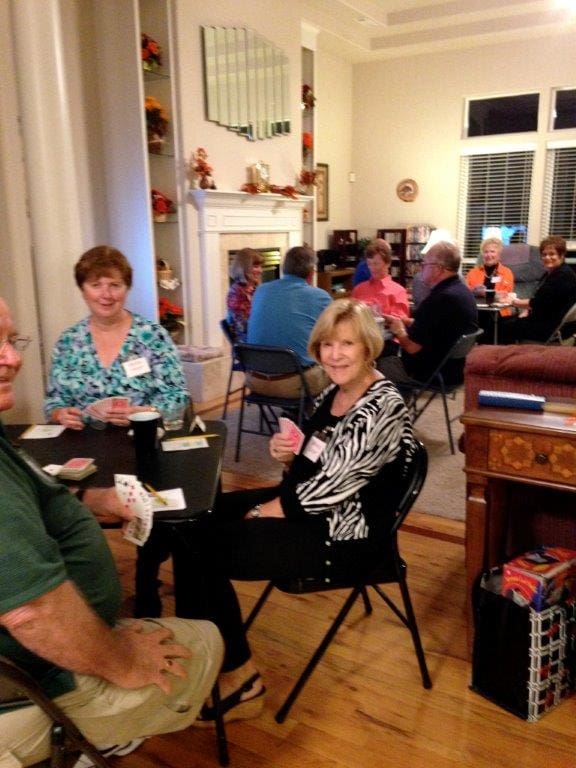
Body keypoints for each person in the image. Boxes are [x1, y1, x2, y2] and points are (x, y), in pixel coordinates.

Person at [0, 297, 223, 767]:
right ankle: (90, 736)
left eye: (11, 340)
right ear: (83, 291)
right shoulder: (72, 341)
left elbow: (32, 494)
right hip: (39, 674)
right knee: (207, 639)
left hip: (54, 644)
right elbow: (30, 612)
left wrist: (93, 499)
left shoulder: (148, 334)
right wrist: (122, 659)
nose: (13, 358)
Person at [172, 299, 418, 724]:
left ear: (368, 347)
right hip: (307, 507)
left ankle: (241, 677)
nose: (334, 355)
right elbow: (311, 461)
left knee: (204, 549)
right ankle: (203, 651)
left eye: (347, 344)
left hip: (344, 535)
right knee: (192, 519)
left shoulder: (382, 406)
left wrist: (262, 511)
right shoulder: (334, 391)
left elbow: (330, 489)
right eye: (327, 344)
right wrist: (287, 455)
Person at [44, 246, 189, 429]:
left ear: (127, 289)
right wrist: (59, 414)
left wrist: (146, 412)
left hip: (141, 437)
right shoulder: (68, 342)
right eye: (96, 285)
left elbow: (177, 396)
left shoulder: (153, 337)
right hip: (82, 440)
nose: (106, 295)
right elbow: (53, 402)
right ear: (83, 291)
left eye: (115, 285)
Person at [379, 241, 478, 386]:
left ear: (438, 269)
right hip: (454, 370)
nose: (421, 268)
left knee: (377, 353)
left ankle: (391, 398)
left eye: (424, 264)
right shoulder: (462, 291)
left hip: (429, 373)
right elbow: (435, 328)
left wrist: (399, 330)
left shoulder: (440, 299)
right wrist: (404, 321)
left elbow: (412, 347)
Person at [247, 245, 331, 397]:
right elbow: (334, 333)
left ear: (284, 268)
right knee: (341, 367)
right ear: (311, 272)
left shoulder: (260, 290)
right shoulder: (320, 296)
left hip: (254, 380)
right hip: (295, 383)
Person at [499, 236, 576, 344]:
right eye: (544, 254)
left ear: (561, 255)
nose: (547, 257)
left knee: (500, 326)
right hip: (545, 320)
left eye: (552, 254)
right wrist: (526, 311)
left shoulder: (562, 277)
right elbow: (541, 300)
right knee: (504, 321)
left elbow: (537, 303)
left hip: (550, 327)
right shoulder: (551, 273)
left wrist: (512, 302)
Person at [351, 238, 409, 318]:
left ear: (388, 263)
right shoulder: (358, 289)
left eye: (376, 264)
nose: (372, 268)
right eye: (369, 264)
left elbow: (399, 322)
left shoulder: (398, 292)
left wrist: (375, 313)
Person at [226, 248, 263, 342]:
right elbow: (242, 327)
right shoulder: (235, 292)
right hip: (247, 343)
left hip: (258, 335)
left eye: (261, 266)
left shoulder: (255, 289)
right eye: (255, 266)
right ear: (243, 268)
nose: (260, 270)